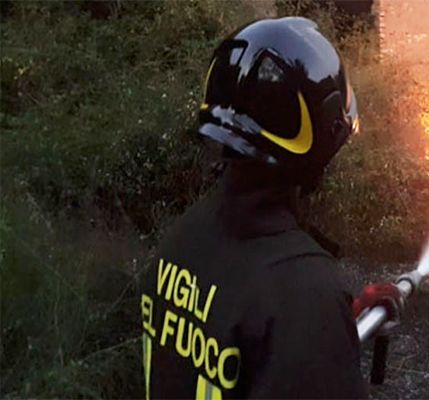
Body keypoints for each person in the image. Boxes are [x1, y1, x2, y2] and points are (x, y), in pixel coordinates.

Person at [139, 17, 402, 399]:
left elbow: (240, 331)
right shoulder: (302, 292)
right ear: (317, 142)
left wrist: (343, 319)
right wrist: (322, 323)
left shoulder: (181, 240)